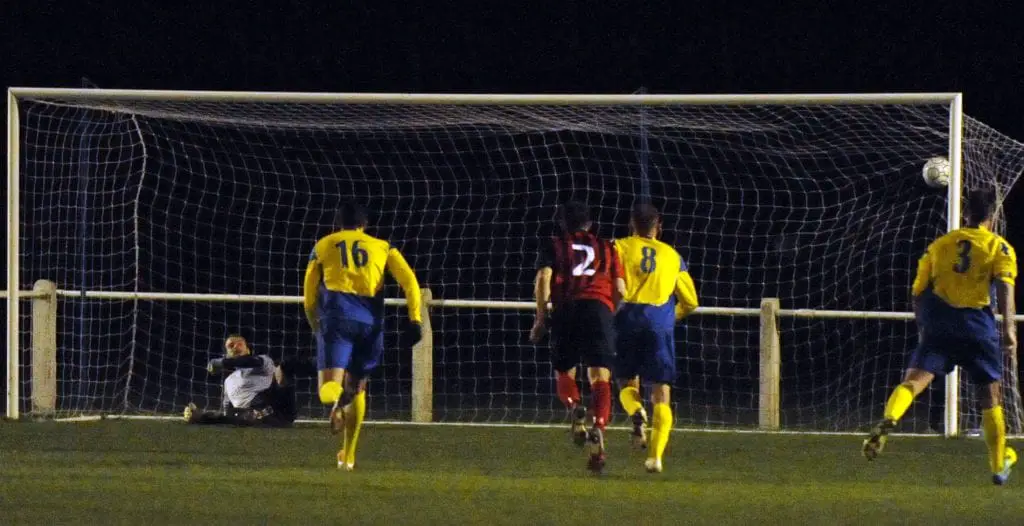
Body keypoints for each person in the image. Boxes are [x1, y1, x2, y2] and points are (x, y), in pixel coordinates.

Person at [862, 188, 1018, 485]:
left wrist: (925, 325)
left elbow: (918, 291)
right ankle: (998, 466)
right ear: (993, 215)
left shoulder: (940, 245)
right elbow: (1005, 289)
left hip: (940, 322)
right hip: (977, 326)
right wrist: (1009, 331)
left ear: (966, 214)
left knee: (913, 381)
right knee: (989, 396)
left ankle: (892, 416)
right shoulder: (1000, 248)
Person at [304, 200, 423, 470]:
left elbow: (309, 297)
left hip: (337, 316)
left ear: (338, 224)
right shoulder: (383, 246)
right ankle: (348, 455)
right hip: (371, 322)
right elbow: (410, 281)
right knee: (357, 387)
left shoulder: (323, 245)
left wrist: (315, 325)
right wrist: (415, 319)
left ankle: (336, 401)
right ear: (364, 225)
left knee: (328, 387)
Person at [531, 200, 625, 473]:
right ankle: (599, 429)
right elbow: (620, 288)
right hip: (599, 309)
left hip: (568, 308)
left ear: (562, 224)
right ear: (590, 224)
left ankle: (575, 408)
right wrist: (610, 312)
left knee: (565, 372)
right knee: (600, 377)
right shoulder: (608, 247)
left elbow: (543, 278)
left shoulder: (555, 244)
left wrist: (540, 318)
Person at [613, 203, 699, 473]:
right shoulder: (672, 255)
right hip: (659, 324)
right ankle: (655, 458)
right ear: (658, 226)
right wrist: (667, 319)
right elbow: (691, 302)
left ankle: (635, 413)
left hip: (626, 320)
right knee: (661, 393)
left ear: (631, 224)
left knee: (626, 382)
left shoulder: (618, 246)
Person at [183, 335, 303, 427]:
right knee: (227, 416)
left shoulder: (263, 362)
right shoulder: (228, 381)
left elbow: (248, 361)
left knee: (285, 366)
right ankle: (197, 416)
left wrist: (223, 363)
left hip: (277, 415)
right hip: (246, 419)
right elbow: (225, 412)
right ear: (227, 353)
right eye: (231, 345)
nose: (235, 347)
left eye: (239, 344)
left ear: (248, 349)